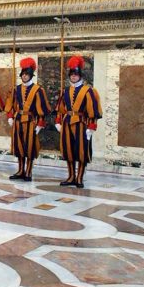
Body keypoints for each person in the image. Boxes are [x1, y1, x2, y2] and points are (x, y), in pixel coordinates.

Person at [55, 56, 102, 188]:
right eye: (72, 75)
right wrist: (58, 121)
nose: (73, 77)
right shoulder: (65, 91)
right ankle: (71, 176)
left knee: (81, 151)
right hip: (67, 123)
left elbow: (93, 111)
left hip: (82, 124)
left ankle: (79, 178)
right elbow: (60, 109)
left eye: (76, 75)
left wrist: (91, 127)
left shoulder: (88, 91)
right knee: (68, 151)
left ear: (80, 75)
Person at [5, 57, 51, 181]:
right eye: (23, 74)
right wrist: (10, 117)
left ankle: (28, 172)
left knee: (29, 147)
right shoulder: (16, 89)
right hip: (18, 120)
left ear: (31, 75)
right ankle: (20, 170)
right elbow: (10, 104)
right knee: (19, 146)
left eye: (27, 74)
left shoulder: (38, 90)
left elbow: (42, 109)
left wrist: (40, 124)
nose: (24, 76)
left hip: (31, 121)